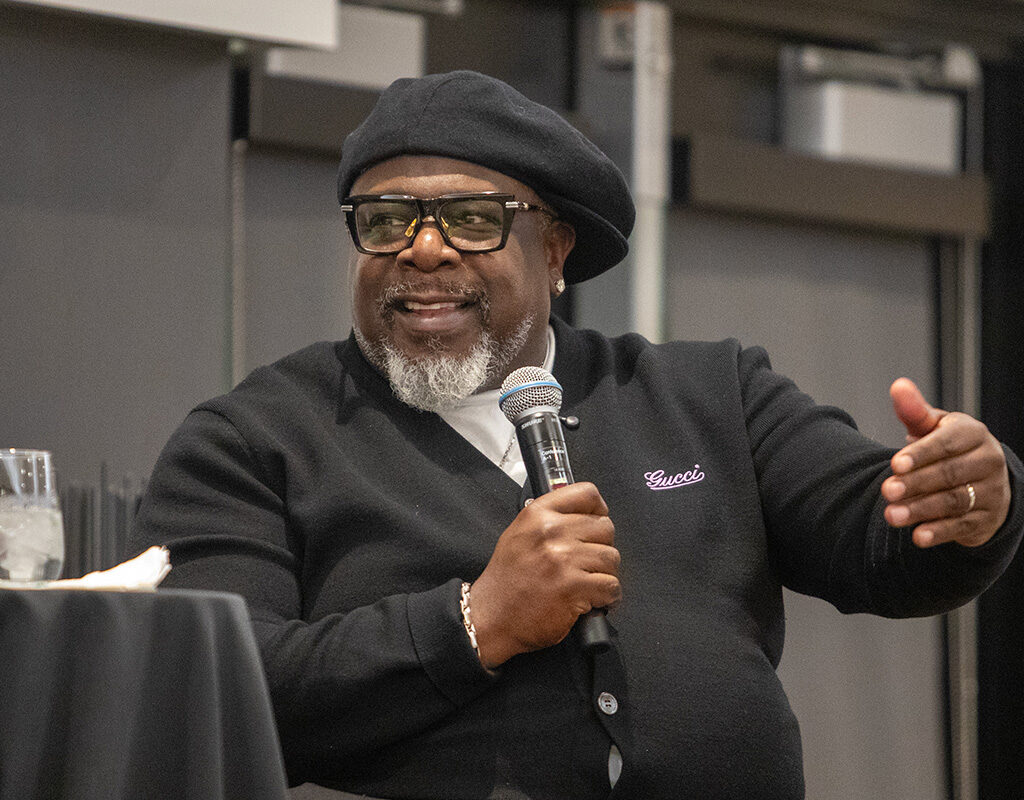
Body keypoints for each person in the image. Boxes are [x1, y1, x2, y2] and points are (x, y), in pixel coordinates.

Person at [131, 70, 1024, 800]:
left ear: (554, 252)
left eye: (474, 219)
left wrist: (972, 498)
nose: (424, 250)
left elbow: (882, 534)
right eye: (386, 220)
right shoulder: (253, 441)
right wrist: (471, 624)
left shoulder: (708, 393)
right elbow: (210, 691)